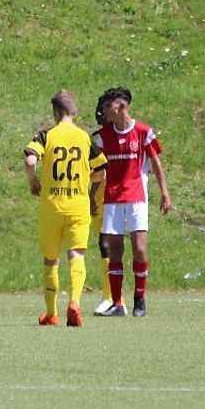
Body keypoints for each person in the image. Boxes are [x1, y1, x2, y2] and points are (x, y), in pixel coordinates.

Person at [24, 90, 107, 327]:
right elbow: (102, 172)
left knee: (51, 260)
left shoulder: (45, 135)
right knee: (76, 254)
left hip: (52, 206)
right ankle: (75, 303)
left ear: (55, 112)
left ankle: (51, 313)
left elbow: (30, 161)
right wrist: (86, 179)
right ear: (74, 111)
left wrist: (33, 181)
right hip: (78, 206)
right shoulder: (85, 138)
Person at [94, 87, 172, 318]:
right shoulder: (103, 136)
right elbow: (97, 168)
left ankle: (140, 298)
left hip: (137, 197)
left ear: (121, 107)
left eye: (107, 106)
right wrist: (91, 195)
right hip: (112, 199)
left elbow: (156, 163)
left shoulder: (143, 131)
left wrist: (165, 193)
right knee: (114, 249)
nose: (103, 111)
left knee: (139, 248)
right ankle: (118, 303)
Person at [91, 92, 118, 315]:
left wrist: (92, 194)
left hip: (112, 197)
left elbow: (103, 172)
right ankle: (110, 296)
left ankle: (112, 297)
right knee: (104, 245)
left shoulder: (116, 137)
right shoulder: (97, 138)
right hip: (101, 198)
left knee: (107, 245)